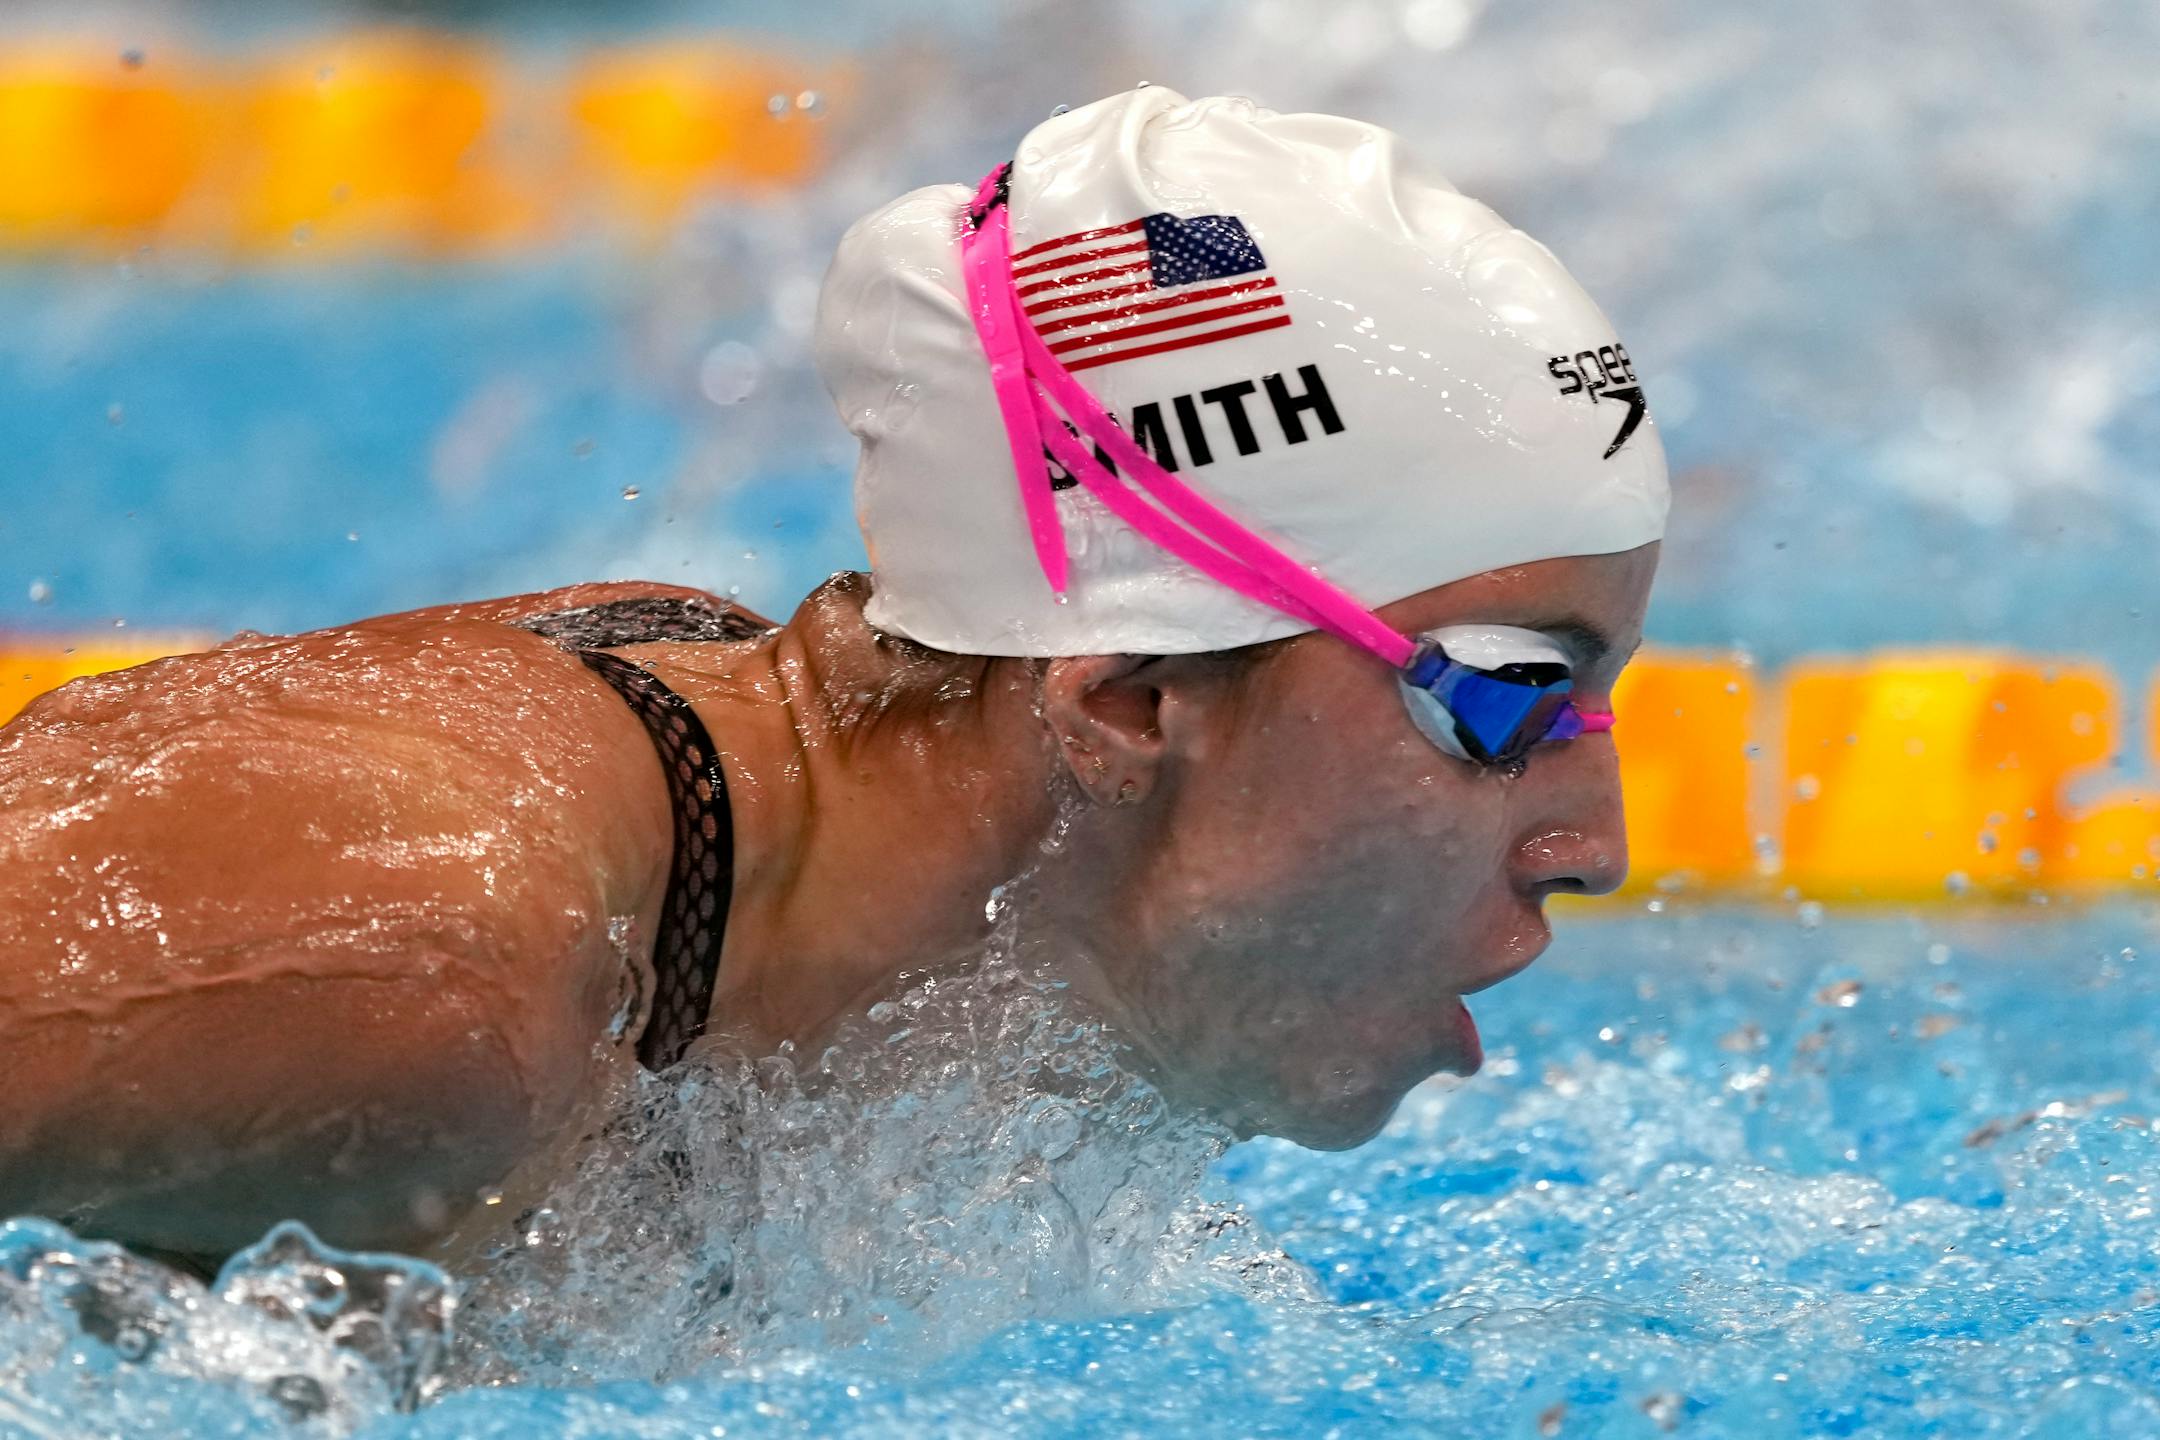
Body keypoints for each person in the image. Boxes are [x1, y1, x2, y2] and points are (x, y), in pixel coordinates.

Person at [0, 87, 1667, 1269]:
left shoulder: (777, 914)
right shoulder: (426, 974)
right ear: (1128, 699)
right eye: (1509, 697)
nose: (1594, 838)